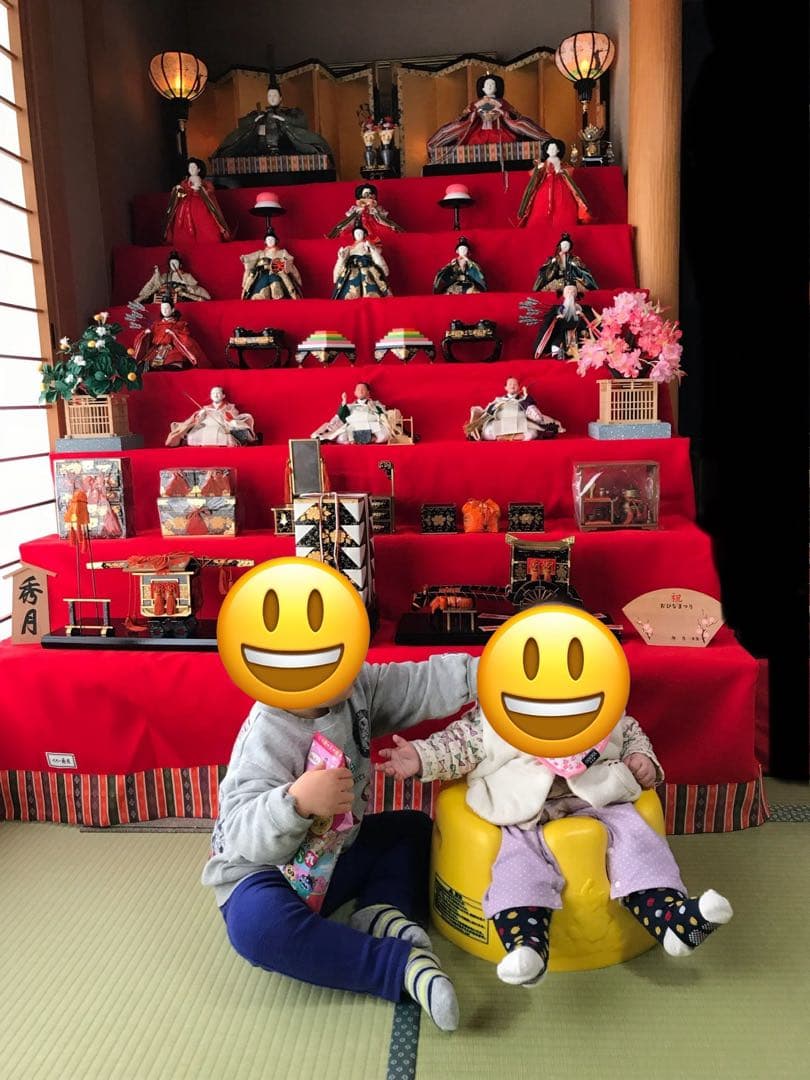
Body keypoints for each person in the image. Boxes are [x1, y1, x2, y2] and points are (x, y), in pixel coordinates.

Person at [377, 667, 734, 987]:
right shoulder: (495, 718)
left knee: (637, 838)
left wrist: (642, 760)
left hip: (598, 797)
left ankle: (672, 920)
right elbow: (456, 745)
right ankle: (527, 945)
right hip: (522, 807)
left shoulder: (602, 710)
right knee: (516, 861)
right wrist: (420, 757)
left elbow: (630, 734)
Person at [201, 652, 479, 1031]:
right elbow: (242, 835)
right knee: (257, 930)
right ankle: (397, 967)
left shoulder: (353, 686)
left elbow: (416, 685)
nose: (355, 660)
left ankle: (382, 910)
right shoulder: (267, 733)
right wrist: (295, 804)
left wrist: (484, 674)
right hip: (265, 874)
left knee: (414, 828)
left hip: (334, 855)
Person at [211, 77, 334, 161]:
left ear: (280, 98)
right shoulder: (260, 114)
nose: (272, 98)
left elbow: (302, 121)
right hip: (261, 149)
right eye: (269, 95)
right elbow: (242, 123)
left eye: (275, 95)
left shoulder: (289, 112)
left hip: (286, 146)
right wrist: (255, 120)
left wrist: (283, 119)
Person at [427, 73, 550, 155]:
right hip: (479, 131)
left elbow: (515, 116)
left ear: (496, 88)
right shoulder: (476, 103)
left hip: (499, 130)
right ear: (483, 88)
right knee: (473, 143)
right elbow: (463, 118)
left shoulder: (502, 102)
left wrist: (503, 113)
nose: (490, 86)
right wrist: (474, 115)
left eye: (492, 85)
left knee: (506, 143)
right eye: (487, 85)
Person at [517, 139, 593, 228]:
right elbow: (534, 175)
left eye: (554, 149)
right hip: (544, 187)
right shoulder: (543, 165)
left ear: (558, 151)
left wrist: (560, 170)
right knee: (539, 211)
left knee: (563, 211)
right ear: (546, 151)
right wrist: (539, 169)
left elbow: (569, 172)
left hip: (561, 187)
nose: (552, 151)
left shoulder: (564, 166)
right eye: (549, 149)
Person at [465, 376, 564, 441]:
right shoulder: (498, 400)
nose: (512, 386)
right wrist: (493, 408)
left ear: (519, 387)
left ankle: (507, 438)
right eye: (510, 384)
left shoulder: (523, 400)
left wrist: (526, 396)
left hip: (520, 424)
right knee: (487, 432)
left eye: (515, 384)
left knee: (532, 433)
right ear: (505, 387)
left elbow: (536, 416)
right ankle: (507, 437)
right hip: (501, 423)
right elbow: (487, 413)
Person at [163, 158, 231, 244]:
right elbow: (180, 195)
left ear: (199, 169)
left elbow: (209, 192)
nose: (191, 169)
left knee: (206, 225)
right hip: (185, 208)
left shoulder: (205, 183)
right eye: (190, 167)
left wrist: (200, 189)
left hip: (201, 206)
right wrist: (178, 190)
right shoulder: (184, 183)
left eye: (194, 167)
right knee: (183, 231)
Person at [165, 386, 258, 447]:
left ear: (223, 395)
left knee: (228, 437)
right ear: (210, 396)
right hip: (206, 426)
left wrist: (229, 417)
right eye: (213, 393)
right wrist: (199, 415)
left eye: (218, 393)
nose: (215, 395)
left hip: (222, 426)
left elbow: (234, 417)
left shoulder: (230, 407)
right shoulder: (206, 408)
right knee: (192, 437)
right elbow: (196, 420)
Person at [133, 297, 209, 370]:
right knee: (146, 363)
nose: (164, 310)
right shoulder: (156, 324)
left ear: (172, 310)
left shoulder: (180, 324)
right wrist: (146, 333)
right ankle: (153, 367)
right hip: (157, 349)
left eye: (167, 308)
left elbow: (186, 338)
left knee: (174, 361)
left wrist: (173, 333)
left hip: (172, 349)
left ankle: (167, 366)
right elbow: (149, 337)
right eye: (162, 308)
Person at [311, 382, 392, 444]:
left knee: (384, 435)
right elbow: (341, 416)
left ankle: (370, 438)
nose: (360, 391)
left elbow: (382, 414)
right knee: (341, 438)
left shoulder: (375, 403)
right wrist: (344, 402)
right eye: (358, 389)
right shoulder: (350, 406)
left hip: (371, 425)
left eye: (363, 389)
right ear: (355, 393)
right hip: (354, 426)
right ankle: (357, 439)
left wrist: (373, 406)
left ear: (368, 392)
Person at [533, 284, 596, 359]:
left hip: (578, 332)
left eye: (573, 291)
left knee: (583, 342)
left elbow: (591, 321)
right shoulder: (558, 308)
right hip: (562, 333)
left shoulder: (583, 308)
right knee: (557, 342)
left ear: (576, 294)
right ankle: (559, 354)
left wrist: (583, 316)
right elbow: (550, 321)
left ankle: (581, 354)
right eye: (568, 291)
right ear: (563, 294)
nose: (570, 293)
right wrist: (556, 318)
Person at [326, 184, 404, 244]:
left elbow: (383, 219)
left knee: (387, 231)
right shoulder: (356, 208)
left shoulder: (377, 208)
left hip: (375, 225)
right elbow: (349, 220)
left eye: (370, 194)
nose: (368, 196)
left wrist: (376, 213)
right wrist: (356, 213)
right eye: (365, 195)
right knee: (345, 233)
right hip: (359, 224)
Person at [332, 222, 392, 299]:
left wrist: (372, 249)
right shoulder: (349, 248)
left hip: (368, 269)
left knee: (373, 288)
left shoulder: (368, 245)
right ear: (353, 235)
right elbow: (342, 261)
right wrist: (341, 258)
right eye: (356, 233)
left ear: (364, 234)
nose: (358, 235)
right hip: (352, 270)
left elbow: (376, 257)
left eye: (360, 233)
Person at [240, 229, 303, 300]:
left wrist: (283, 263)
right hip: (263, 273)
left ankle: (279, 295)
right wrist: (245, 258)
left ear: (276, 241)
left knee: (276, 279)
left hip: (278, 273)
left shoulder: (282, 252)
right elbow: (250, 258)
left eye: (272, 239)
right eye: (268, 239)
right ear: (265, 242)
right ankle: (260, 295)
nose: (270, 241)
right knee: (262, 280)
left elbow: (289, 260)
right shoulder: (261, 253)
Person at [134, 251, 212, 305]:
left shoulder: (186, 275)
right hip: (164, 299)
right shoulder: (165, 276)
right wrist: (156, 274)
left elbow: (194, 288)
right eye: (172, 263)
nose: (174, 264)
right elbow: (155, 286)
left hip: (181, 297)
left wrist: (183, 285)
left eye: (176, 263)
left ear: (180, 265)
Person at [533, 233, 598, 294]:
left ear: (570, 247)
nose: (565, 246)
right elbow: (545, 271)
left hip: (571, 281)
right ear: (560, 246)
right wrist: (552, 263)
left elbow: (583, 270)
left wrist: (575, 265)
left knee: (576, 288)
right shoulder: (554, 259)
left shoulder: (574, 258)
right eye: (563, 245)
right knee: (552, 287)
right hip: (558, 281)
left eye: (567, 245)